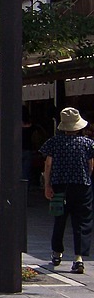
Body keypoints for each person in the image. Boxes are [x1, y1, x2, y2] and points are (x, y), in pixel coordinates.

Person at [40, 107, 94, 274]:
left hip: (59, 186)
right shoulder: (88, 143)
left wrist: (47, 185)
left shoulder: (54, 142)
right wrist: (86, 177)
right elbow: (90, 165)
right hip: (81, 186)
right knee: (82, 222)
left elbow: (48, 164)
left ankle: (57, 252)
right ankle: (78, 258)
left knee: (59, 219)